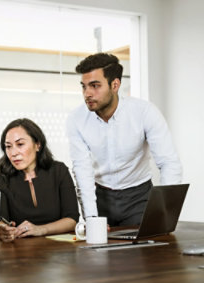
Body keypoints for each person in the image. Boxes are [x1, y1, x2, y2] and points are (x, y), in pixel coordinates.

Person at [67, 53, 182, 226]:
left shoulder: (145, 112)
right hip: (100, 196)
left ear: (115, 85)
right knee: (99, 251)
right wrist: (91, 218)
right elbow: (82, 170)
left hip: (139, 197)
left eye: (95, 86)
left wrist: (163, 210)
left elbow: (169, 162)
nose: (87, 94)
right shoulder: (76, 119)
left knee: (147, 249)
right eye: (84, 87)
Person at [0, 118, 79, 243]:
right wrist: (1, 229)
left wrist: (41, 229)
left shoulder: (59, 171)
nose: (13, 153)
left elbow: (71, 219)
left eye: (20, 144)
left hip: (57, 250)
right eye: (8, 147)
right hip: (18, 253)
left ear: (37, 145)